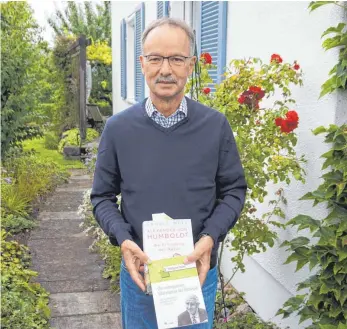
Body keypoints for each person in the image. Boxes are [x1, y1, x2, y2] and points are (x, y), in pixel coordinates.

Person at [90, 17, 247, 329]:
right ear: (142, 64)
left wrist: (210, 237)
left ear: (190, 65)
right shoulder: (118, 129)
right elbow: (102, 197)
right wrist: (123, 239)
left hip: (195, 273)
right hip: (141, 275)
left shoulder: (215, 127)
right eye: (156, 58)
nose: (165, 69)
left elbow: (234, 191)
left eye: (176, 59)